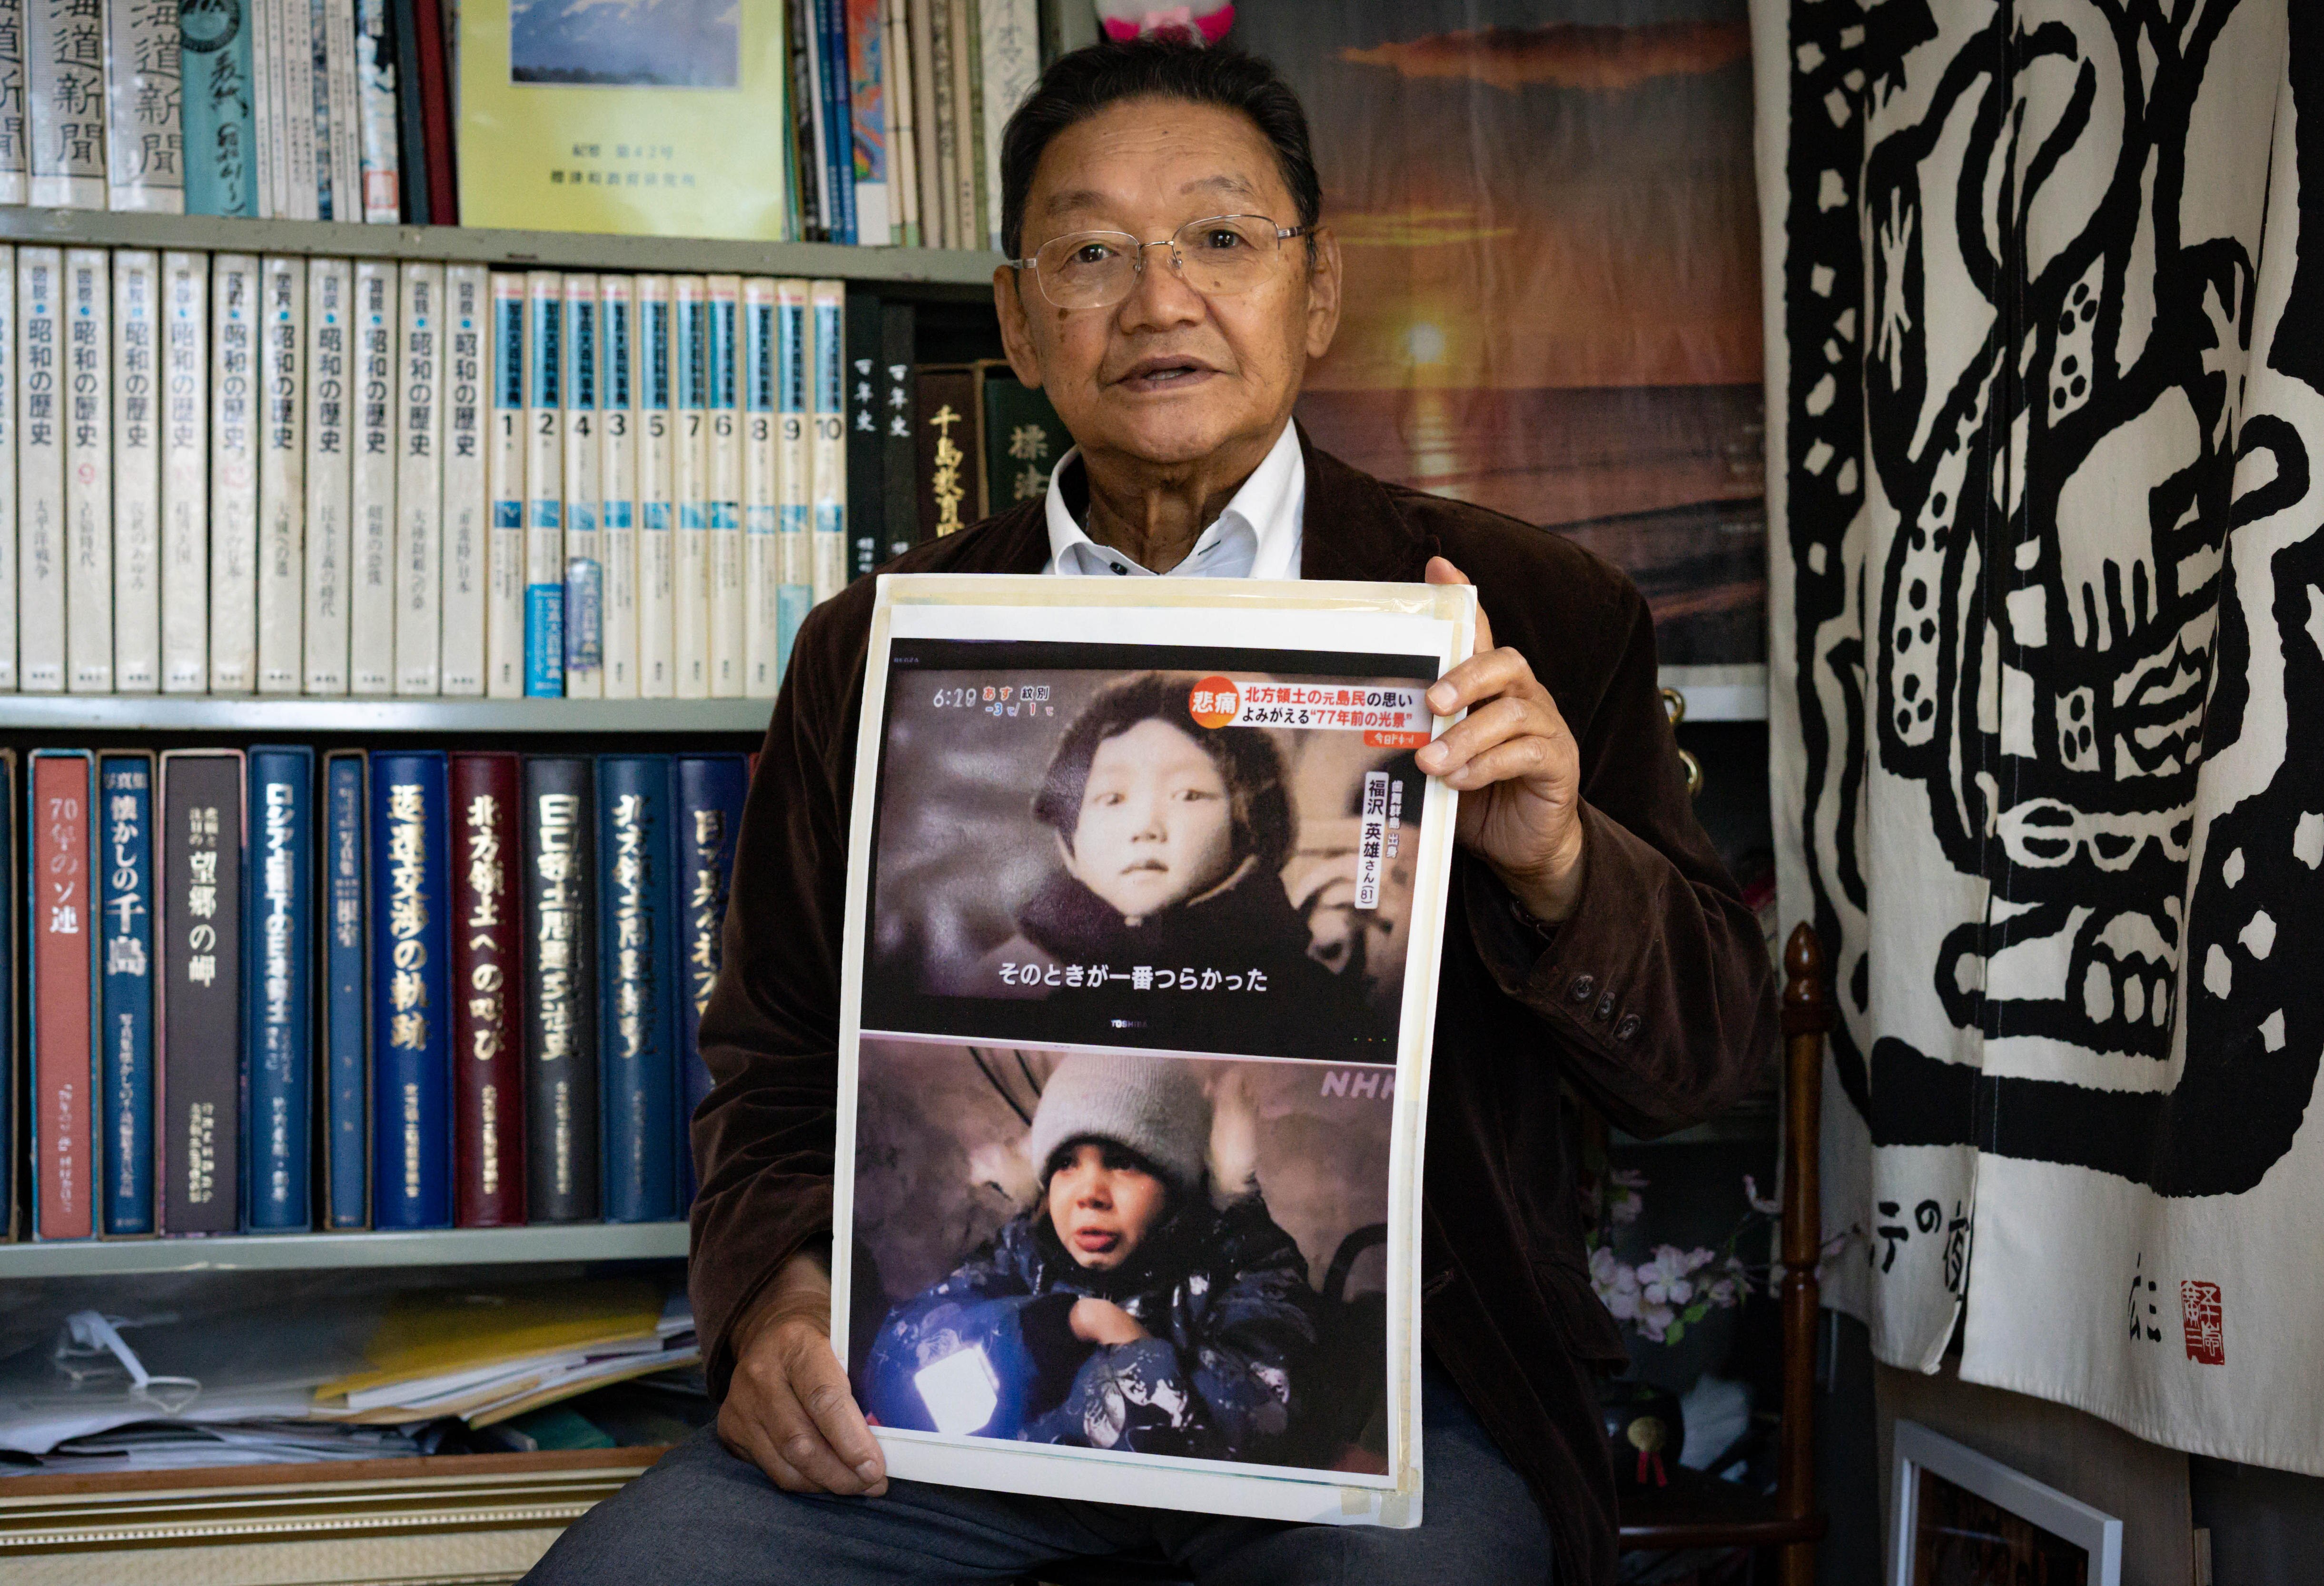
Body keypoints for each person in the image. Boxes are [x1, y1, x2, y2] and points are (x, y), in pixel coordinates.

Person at [529, 34, 1773, 1586]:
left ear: (1316, 293)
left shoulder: (1528, 614)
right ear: (1017, 319)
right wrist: (779, 1294)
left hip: (1389, 1401)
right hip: (956, 1420)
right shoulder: (881, 649)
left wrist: (1562, 863)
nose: (1159, 298)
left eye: (1222, 238)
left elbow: (1708, 1062)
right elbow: (774, 1058)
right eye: (1091, 252)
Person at [857, 1053, 1323, 1465]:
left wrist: (1127, 1344)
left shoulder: (1249, 1264)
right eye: (1065, 1163)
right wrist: (1059, 1326)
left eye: (1123, 1161)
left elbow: (1248, 1433)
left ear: (1177, 1180)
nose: (1088, 1194)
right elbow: (897, 1370)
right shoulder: (1023, 1250)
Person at [955, 671, 1383, 1050]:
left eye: (1189, 795)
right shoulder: (1006, 981)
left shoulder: (1304, 995)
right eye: (1112, 798)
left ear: (1247, 824)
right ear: (1070, 842)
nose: (1145, 827)